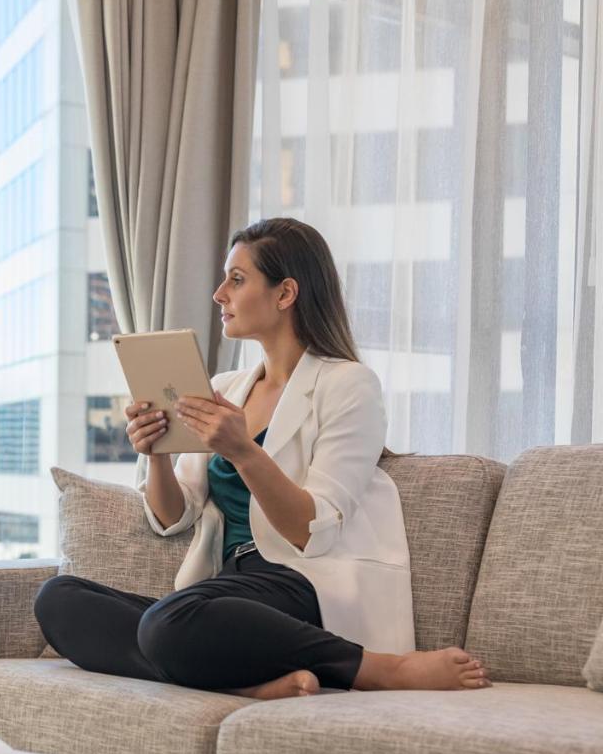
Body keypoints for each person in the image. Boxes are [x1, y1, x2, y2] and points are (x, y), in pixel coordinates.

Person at [34, 217, 491, 699]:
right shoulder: (225, 389)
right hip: (229, 590)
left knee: (168, 622)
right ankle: (247, 685)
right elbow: (172, 517)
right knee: (60, 601)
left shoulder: (348, 385)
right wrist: (159, 454)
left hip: (302, 583)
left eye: (236, 279)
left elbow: (310, 531)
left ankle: (377, 668)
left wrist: (243, 450)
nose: (219, 295)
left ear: (285, 293)